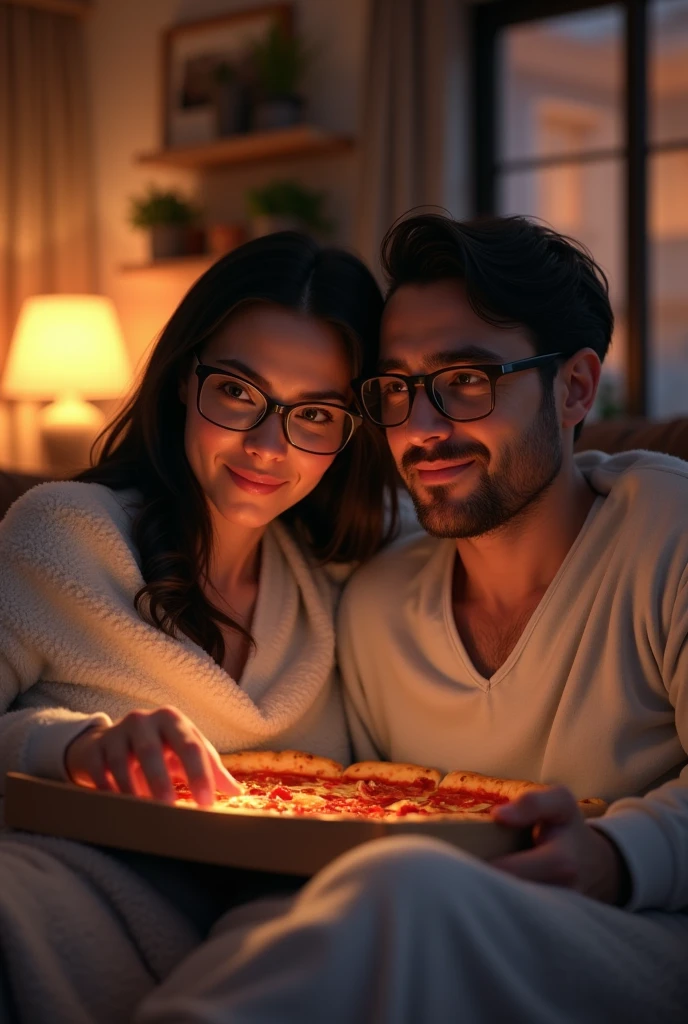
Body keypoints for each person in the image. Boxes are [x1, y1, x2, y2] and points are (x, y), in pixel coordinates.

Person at [134, 215, 688, 1024]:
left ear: (574, 388)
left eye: (466, 379)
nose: (422, 430)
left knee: (407, 885)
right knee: (269, 923)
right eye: (396, 388)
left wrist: (616, 855)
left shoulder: (667, 531)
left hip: (645, 933)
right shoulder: (374, 604)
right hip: (425, 933)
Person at [0, 231, 398, 1024]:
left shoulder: (344, 583)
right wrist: (71, 745)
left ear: (348, 435)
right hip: (59, 888)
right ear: (187, 379)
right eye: (238, 392)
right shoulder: (63, 534)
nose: (265, 445)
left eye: (313, 413)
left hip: (268, 936)